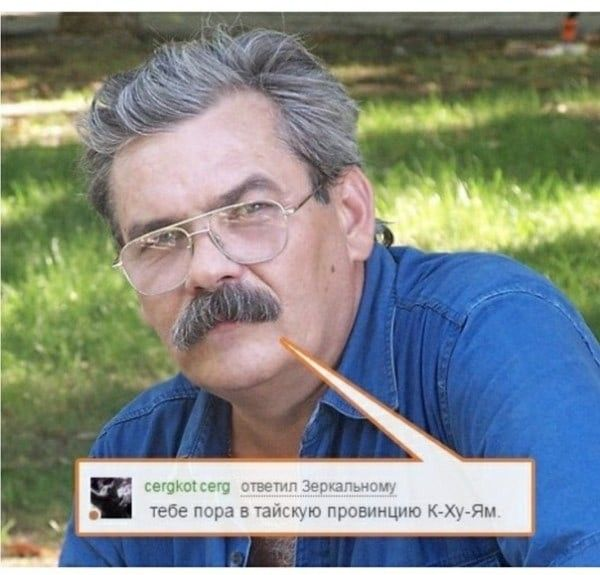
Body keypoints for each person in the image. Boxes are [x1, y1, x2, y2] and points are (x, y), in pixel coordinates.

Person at [59, 29, 600, 567]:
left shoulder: (491, 339)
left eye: (249, 211)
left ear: (352, 215)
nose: (205, 269)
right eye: (160, 241)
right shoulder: (131, 464)